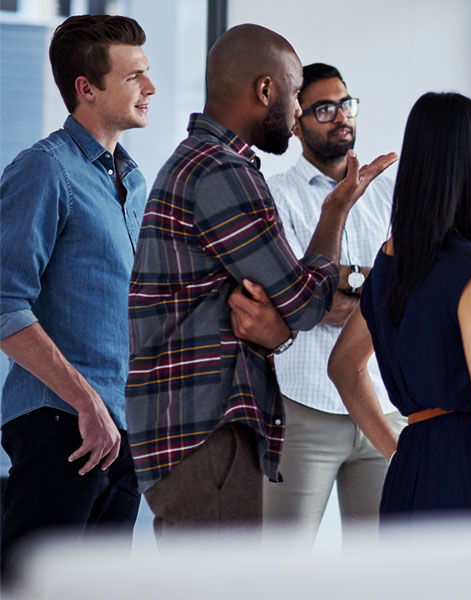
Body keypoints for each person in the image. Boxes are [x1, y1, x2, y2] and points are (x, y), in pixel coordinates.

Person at [125, 24, 396, 537]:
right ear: (265, 90)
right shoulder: (222, 172)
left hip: (198, 427)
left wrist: (288, 316)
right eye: (298, 97)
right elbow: (305, 300)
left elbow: (291, 305)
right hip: (208, 429)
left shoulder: (205, 164)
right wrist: (335, 218)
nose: (296, 113)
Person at [327, 92, 471, 535]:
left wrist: (398, 448)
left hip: (409, 478)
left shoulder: (389, 264)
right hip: (469, 478)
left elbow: (344, 367)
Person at [0, 14, 155, 580]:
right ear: (86, 88)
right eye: (135, 76)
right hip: (62, 422)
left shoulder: (132, 180)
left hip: (121, 427)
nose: (151, 88)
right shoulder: (44, 171)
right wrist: (86, 403)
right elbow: (3, 305)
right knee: (32, 586)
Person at [264, 63, 405, 542]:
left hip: (383, 405)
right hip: (304, 407)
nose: (340, 116)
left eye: (346, 104)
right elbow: (300, 300)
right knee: (282, 568)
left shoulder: (388, 192)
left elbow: (406, 289)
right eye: (324, 108)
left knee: (382, 572)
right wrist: (368, 282)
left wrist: (343, 281)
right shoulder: (276, 196)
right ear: (296, 121)